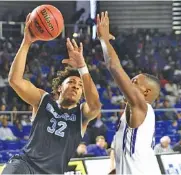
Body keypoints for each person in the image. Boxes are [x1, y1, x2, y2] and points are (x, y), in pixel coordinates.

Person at [2, 13, 101, 174]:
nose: (76, 86)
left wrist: (83, 67)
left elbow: (95, 105)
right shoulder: (43, 100)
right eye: (71, 82)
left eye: (80, 85)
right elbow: (15, 80)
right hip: (25, 166)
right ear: (60, 88)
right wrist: (27, 42)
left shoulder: (81, 114)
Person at [97, 11, 161, 175]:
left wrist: (104, 40)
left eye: (134, 82)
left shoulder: (142, 106)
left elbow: (114, 67)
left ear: (145, 91)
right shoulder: (134, 113)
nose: (129, 83)